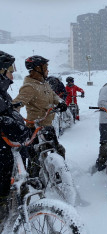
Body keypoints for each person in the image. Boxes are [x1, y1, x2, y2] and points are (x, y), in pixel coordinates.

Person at [12, 55, 67, 177]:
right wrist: (13, 116)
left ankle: (61, 175)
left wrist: (61, 103)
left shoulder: (44, 84)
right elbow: (17, 104)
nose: (48, 70)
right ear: (37, 68)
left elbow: (53, 96)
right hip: (34, 129)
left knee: (59, 151)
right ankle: (36, 183)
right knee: (35, 160)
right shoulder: (29, 87)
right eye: (45, 67)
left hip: (47, 126)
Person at [0, 51, 31, 230]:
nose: (12, 75)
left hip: (6, 150)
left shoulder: (3, 93)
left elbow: (8, 112)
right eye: (10, 70)